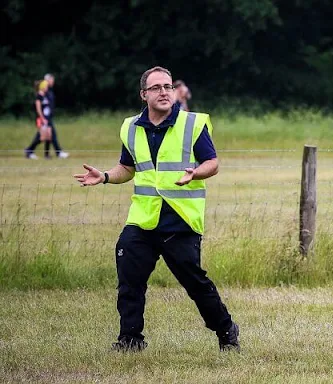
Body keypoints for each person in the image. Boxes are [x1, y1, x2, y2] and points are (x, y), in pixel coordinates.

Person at [73, 66, 239, 352]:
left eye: (168, 86)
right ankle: (130, 339)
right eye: (157, 88)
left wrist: (195, 173)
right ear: (144, 94)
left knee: (195, 284)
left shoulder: (192, 124)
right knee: (129, 280)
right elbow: (127, 167)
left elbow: (212, 163)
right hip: (143, 219)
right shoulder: (130, 127)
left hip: (180, 219)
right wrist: (105, 176)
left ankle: (226, 330)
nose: (164, 92)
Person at [24, 80, 52, 159]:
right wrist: (42, 118)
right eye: (46, 86)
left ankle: (47, 155)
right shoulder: (39, 96)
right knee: (42, 138)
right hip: (42, 119)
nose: (47, 88)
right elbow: (38, 109)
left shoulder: (45, 95)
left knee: (49, 136)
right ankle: (29, 150)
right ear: (42, 87)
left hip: (47, 119)